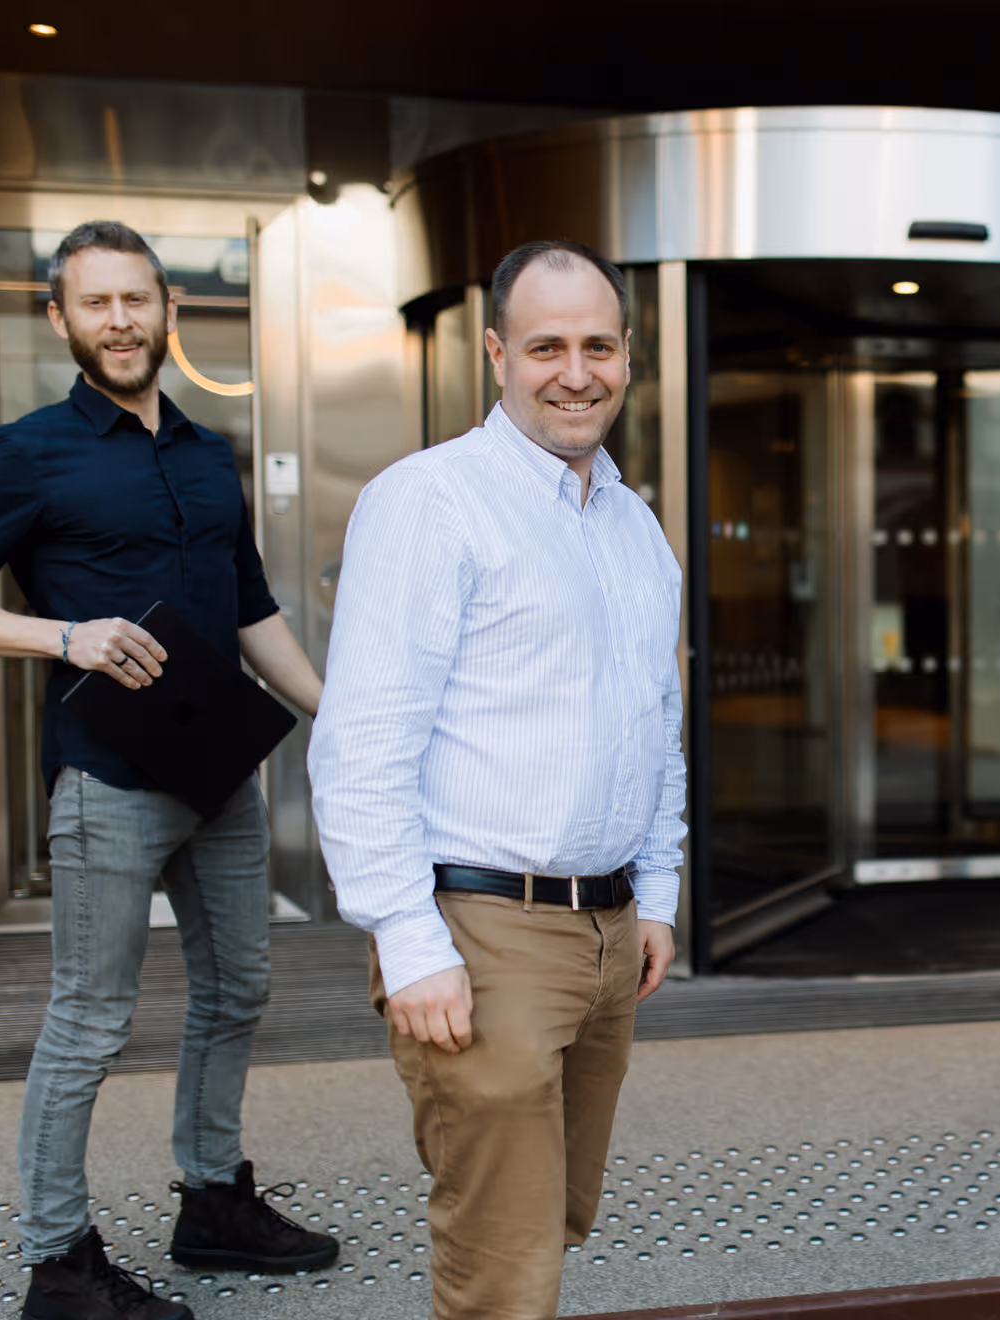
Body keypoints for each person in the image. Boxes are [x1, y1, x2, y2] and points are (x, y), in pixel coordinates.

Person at [0, 220, 337, 1320]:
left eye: (136, 299)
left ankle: (212, 1203)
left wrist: (333, 715)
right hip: (108, 780)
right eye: (95, 303)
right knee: (90, 1021)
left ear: (167, 312)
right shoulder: (26, 452)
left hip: (222, 777)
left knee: (239, 990)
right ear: (59, 319)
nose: (119, 320)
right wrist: (67, 636)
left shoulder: (207, 453)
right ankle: (59, 1262)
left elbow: (250, 608)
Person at [309, 239, 685, 1320]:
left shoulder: (631, 523)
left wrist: (652, 893)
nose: (576, 371)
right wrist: (406, 937)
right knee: (502, 1263)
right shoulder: (430, 502)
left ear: (628, 355)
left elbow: (654, 725)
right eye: (546, 346)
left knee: (554, 1219)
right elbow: (363, 742)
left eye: (599, 345)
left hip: (608, 932)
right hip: (480, 933)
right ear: (495, 354)